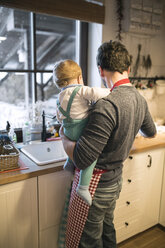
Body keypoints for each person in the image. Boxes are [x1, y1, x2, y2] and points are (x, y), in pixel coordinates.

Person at [59, 41, 156, 248]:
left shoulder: (106, 104)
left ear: (100, 70)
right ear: (128, 69)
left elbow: (83, 157)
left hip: (97, 184)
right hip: (116, 180)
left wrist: (63, 138)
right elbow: (150, 131)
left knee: (90, 240)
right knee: (108, 229)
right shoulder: (139, 99)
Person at [53, 59, 110, 206]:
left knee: (73, 149)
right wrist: (112, 91)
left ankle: (69, 162)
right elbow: (97, 93)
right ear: (79, 78)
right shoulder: (81, 90)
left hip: (67, 129)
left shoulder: (60, 96)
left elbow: (59, 117)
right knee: (90, 157)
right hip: (80, 129)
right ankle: (83, 187)